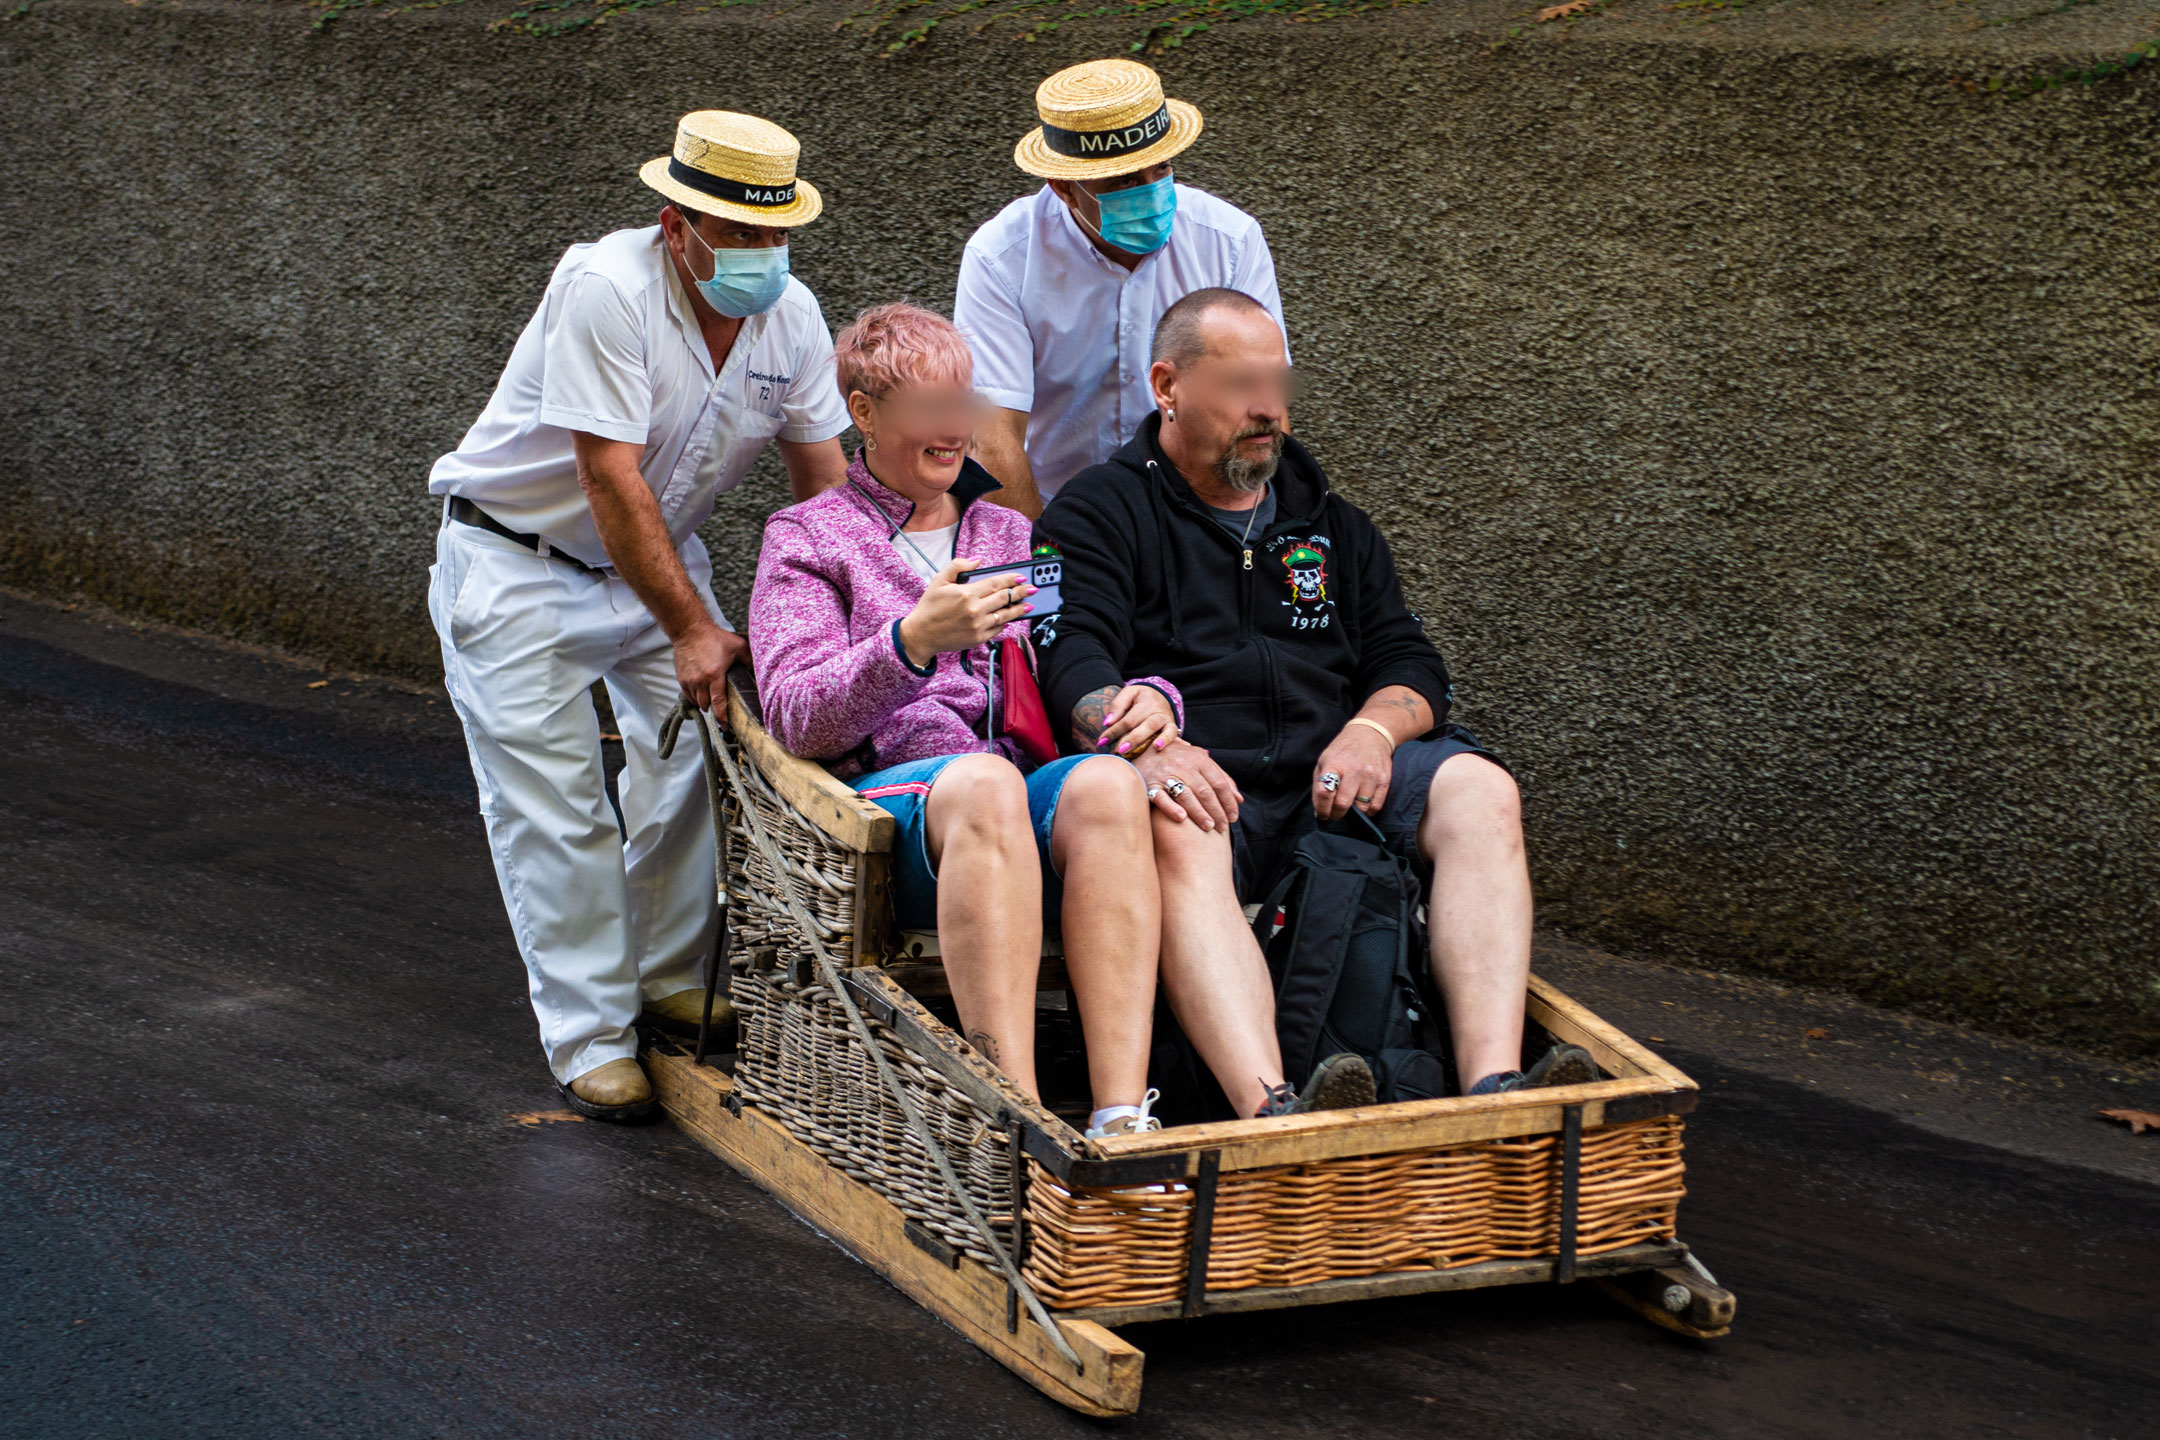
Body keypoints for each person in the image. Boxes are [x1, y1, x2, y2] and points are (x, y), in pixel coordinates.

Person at [1036, 289, 1599, 1104]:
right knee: (1179, 816)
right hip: (1210, 787)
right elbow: (1071, 656)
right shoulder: (1098, 510)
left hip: (1332, 791)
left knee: (1480, 789)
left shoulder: (1335, 524)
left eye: (1279, 383)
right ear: (1168, 387)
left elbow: (1411, 660)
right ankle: (1271, 1106)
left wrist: (1373, 731)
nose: (1269, 408)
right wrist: (1149, 746)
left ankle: (1494, 1084)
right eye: (1241, 385)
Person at [427, 111, 850, 1121]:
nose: (763, 254)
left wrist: (838, 630)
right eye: (740, 234)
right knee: (559, 808)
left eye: (777, 233)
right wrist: (694, 630)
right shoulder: (607, 287)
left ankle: (664, 979)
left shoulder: (791, 316)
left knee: (701, 763)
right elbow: (607, 477)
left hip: (659, 556)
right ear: (677, 225)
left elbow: (823, 486)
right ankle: (589, 1037)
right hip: (520, 562)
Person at [747, 303, 1169, 1139]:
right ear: (864, 413)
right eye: (930, 407)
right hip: (882, 817)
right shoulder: (808, 537)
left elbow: (1071, 655)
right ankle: (1014, 1119)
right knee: (983, 783)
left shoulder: (1006, 530)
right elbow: (794, 716)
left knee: (1107, 786)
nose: (955, 429)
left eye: (964, 403)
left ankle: (1120, 1117)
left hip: (1009, 790)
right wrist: (908, 643)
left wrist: (1152, 697)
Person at [954, 58, 1286, 518]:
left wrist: (1256, 532)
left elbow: (1265, 398)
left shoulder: (1230, 241)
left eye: (1161, 168)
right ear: (1063, 187)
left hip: (1200, 514)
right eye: (1126, 180)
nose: (1151, 192)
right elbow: (993, 433)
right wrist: (1038, 555)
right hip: (1056, 510)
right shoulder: (1001, 257)